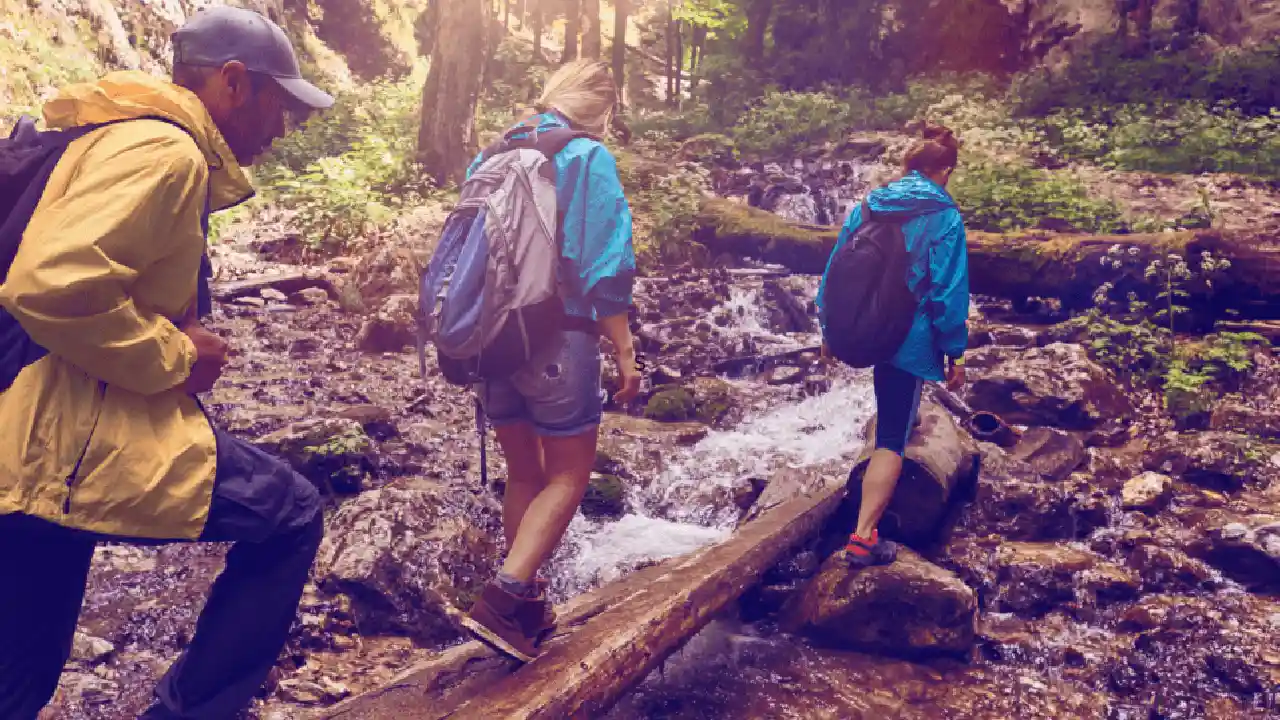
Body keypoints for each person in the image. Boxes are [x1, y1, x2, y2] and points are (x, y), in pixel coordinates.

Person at [0, 7, 334, 718]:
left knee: (19, 677)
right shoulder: (165, 151)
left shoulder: (113, 132)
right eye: (283, 106)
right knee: (290, 514)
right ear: (234, 83)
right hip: (63, 437)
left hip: (32, 434)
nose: (285, 129)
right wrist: (176, 357)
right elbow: (49, 284)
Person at [459, 59, 642, 663]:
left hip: (489, 340)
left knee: (524, 474)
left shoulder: (492, 154)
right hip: (557, 337)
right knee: (569, 474)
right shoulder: (588, 158)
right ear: (601, 111)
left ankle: (527, 608)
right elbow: (604, 268)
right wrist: (623, 350)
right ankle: (504, 598)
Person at [816, 122, 970, 567]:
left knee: (894, 414)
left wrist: (829, 328)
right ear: (945, 170)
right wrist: (954, 349)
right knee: (891, 437)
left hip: (863, 325)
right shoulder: (944, 215)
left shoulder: (869, 205)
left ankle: (865, 513)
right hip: (908, 337)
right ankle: (863, 539)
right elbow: (948, 291)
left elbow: (834, 271)